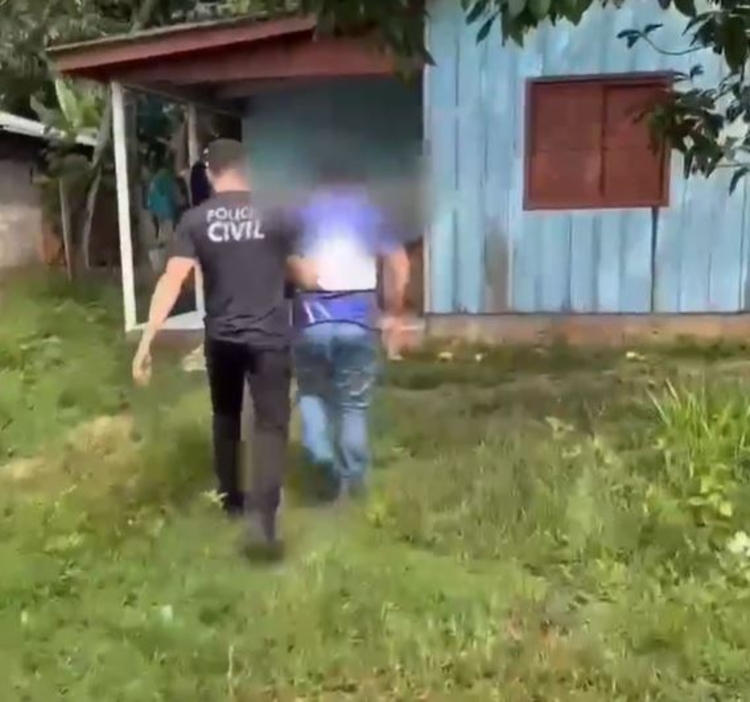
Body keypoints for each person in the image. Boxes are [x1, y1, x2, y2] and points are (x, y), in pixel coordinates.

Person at [132, 138, 315, 555]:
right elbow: (302, 272)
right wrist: (309, 275)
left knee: (226, 417)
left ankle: (231, 500)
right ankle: (263, 524)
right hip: (269, 338)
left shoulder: (195, 220)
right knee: (270, 425)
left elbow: (172, 280)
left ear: (211, 174)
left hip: (223, 339)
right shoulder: (276, 214)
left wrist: (147, 340)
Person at [292, 161, 410, 501]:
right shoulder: (372, 217)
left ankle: (320, 451)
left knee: (311, 391)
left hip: (311, 322)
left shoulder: (301, 217)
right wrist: (393, 311)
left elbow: (287, 264)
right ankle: (351, 483)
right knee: (353, 405)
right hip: (357, 323)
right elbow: (400, 264)